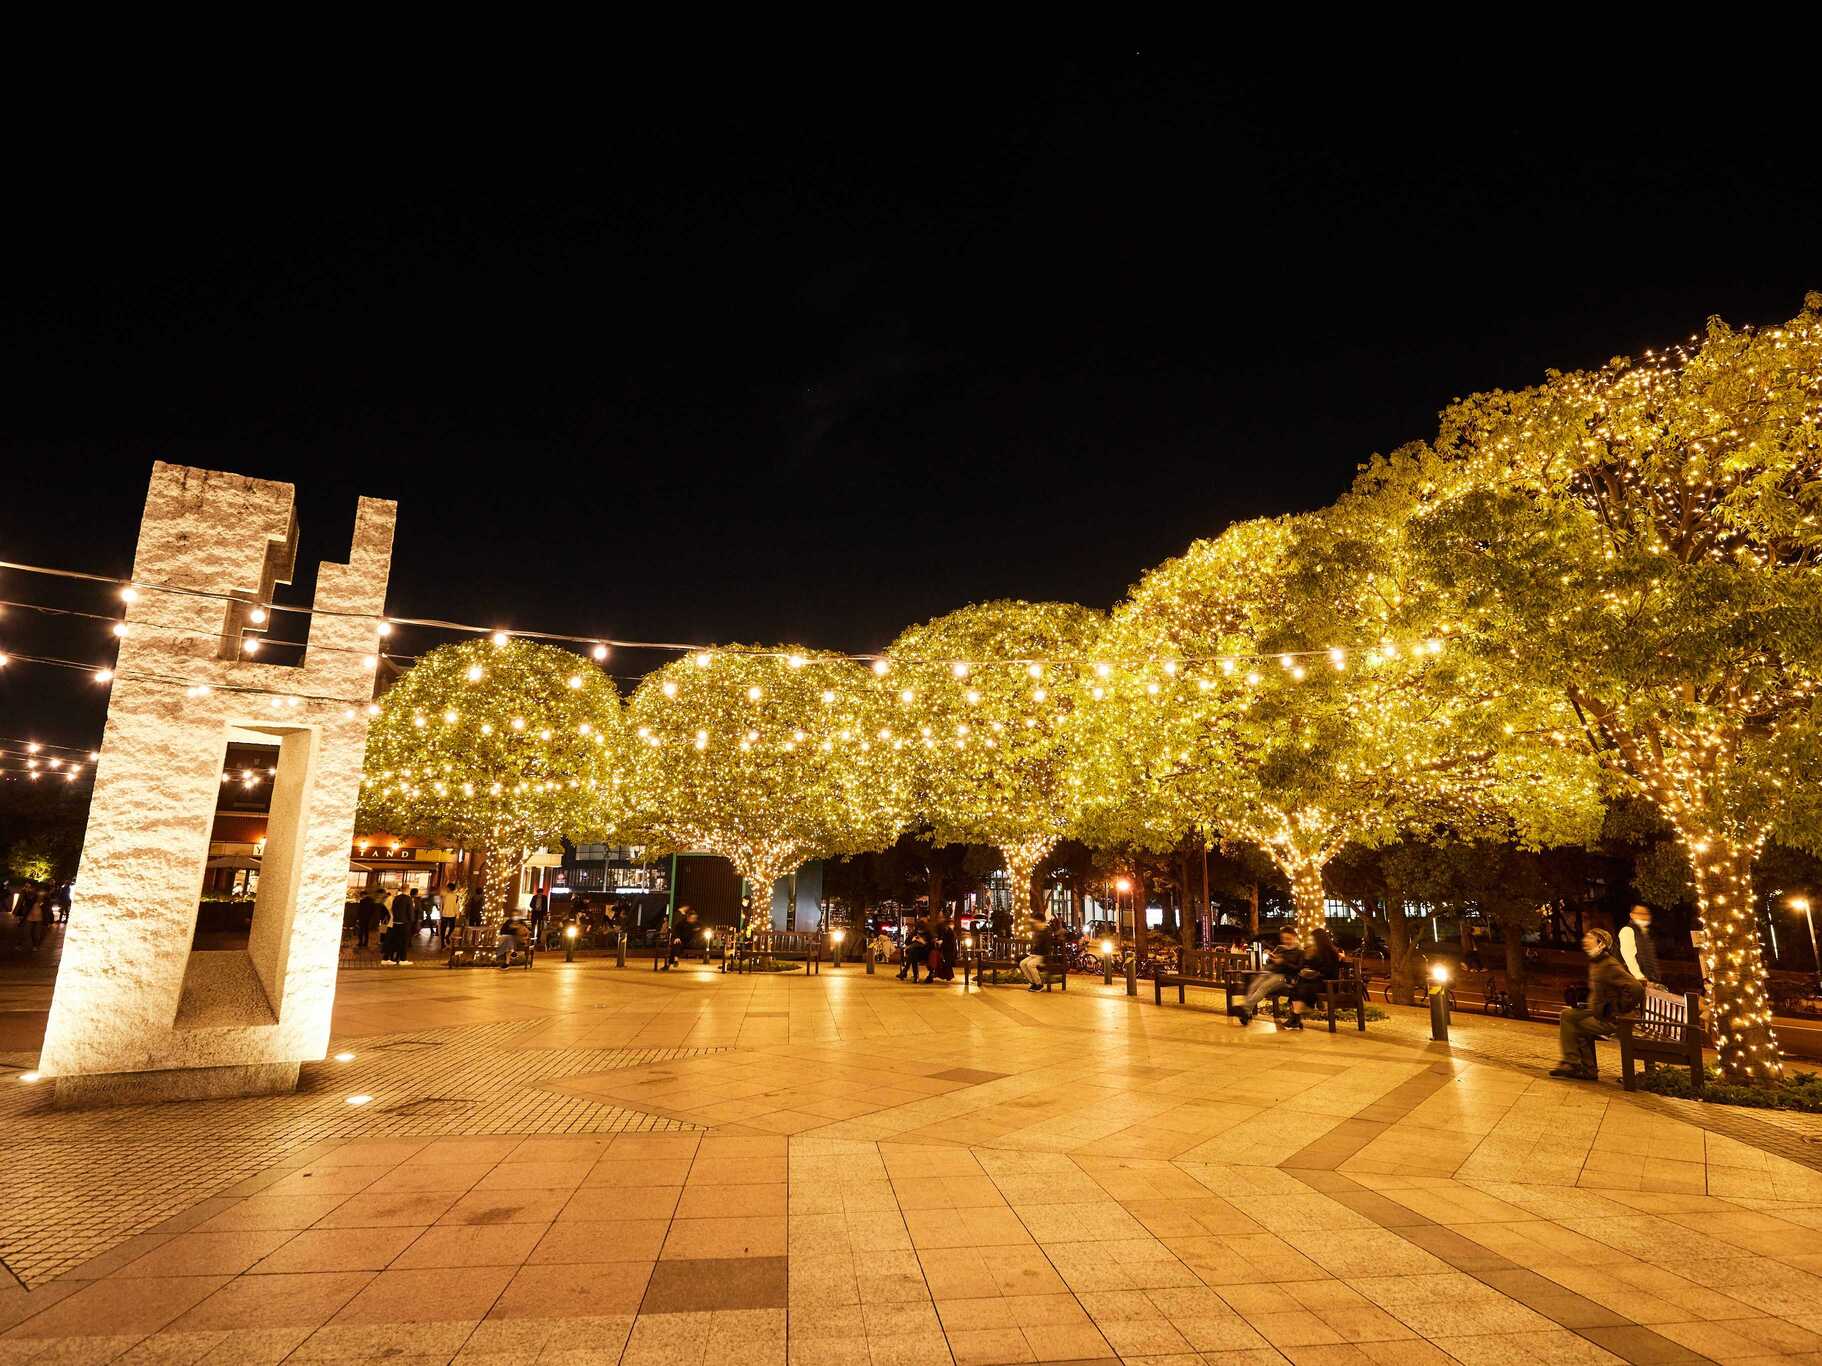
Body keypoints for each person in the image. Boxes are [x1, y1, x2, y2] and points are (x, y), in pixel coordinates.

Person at [1552, 928, 1642, 1081]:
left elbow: (1636, 988)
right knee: (1567, 1015)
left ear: (1600, 943)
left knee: (1574, 1024)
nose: (1584, 940)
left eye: (1589, 938)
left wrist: (1619, 1009)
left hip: (1614, 1020)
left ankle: (1575, 1064)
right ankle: (1583, 1067)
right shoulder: (1597, 962)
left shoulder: (1609, 965)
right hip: (1598, 1012)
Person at [1236, 928, 1304, 1026]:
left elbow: (1298, 968)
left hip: (1284, 976)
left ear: (1294, 937)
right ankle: (1246, 1013)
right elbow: (1269, 962)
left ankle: (1244, 1010)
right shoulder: (1280, 948)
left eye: (1288, 938)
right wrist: (1272, 958)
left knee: (1263, 987)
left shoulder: (1299, 951)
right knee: (1253, 985)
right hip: (1271, 972)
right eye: (1284, 938)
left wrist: (1283, 962)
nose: (1286, 941)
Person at [1289, 926, 1342, 1029]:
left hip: (1328, 983)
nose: (1311, 942)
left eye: (1313, 939)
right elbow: (1306, 966)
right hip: (1316, 980)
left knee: (1305, 987)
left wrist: (1315, 973)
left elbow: (1329, 971)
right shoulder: (1314, 951)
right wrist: (1308, 958)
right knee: (1295, 987)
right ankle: (1295, 1018)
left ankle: (1300, 1013)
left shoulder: (1329, 952)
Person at [1617, 904, 1662, 988]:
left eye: (1646, 914)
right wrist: (1641, 978)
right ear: (1631, 915)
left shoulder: (1645, 934)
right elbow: (1629, 958)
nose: (1644, 916)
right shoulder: (1627, 930)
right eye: (1640, 913)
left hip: (1648, 983)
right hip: (1635, 983)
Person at [1018, 915, 1053, 991]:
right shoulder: (1038, 931)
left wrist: (1045, 960)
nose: (1035, 925)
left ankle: (1039, 984)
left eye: (1036, 922)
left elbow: (1047, 948)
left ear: (1041, 922)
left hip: (1041, 956)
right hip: (1034, 955)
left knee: (1030, 965)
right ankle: (1033, 982)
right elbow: (1035, 945)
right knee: (1022, 963)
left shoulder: (1047, 931)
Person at [928, 911, 958, 984]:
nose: (939, 919)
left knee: (934, 955)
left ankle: (931, 975)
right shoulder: (938, 927)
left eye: (941, 917)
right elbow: (935, 936)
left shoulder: (948, 929)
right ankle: (931, 974)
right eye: (939, 917)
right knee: (933, 954)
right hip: (941, 950)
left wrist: (942, 942)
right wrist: (935, 940)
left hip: (947, 951)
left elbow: (951, 943)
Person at [387, 887, 414, 963]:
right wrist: (411, 921)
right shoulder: (408, 899)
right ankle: (403, 959)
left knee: (396, 940)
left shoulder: (396, 898)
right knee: (404, 941)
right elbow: (410, 911)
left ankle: (393, 958)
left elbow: (392, 909)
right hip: (404, 923)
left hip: (395, 922)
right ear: (407, 890)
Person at [901, 918, 932, 983]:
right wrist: (913, 939)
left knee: (912, 952)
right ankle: (913, 976)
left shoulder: (929, 933)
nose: (920, 932)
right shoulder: (915, 932)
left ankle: (907, 972)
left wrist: (923, 942)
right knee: (913, 953)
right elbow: (907, 941)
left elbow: (931, 945)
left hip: (925, 953)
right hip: (916, 953)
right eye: (919, 931)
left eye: (921, 931)